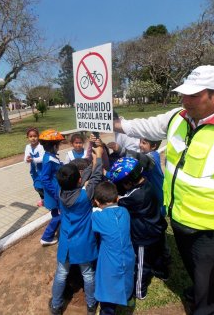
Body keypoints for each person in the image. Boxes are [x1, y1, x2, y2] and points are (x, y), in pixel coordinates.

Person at [113, 65, 214, 315]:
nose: (185, 100)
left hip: (210, 231)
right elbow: (144, 126)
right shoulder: (179, 117)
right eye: (184, 94)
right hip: (178, 218)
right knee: (195, 270)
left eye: (193, 95)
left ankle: (206, 303)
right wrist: (111, 123)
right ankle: (199, 290)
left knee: (209, 286)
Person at [49, 146, 103, 315]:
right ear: (79, 180)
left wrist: (90, 163)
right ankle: (91, 304)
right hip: (84, 242)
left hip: (66, 241)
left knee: (61, 274)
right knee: (88, 273)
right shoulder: (85, 195)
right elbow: (96, 176)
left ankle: (56, 305)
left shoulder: (60, 191)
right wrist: (98, 158)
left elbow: (87, 176)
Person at [106, 157, 168, 300]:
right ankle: (162, 273)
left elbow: (118, 201)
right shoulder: (147, 183)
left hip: (143, 237)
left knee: (141, 264)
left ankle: (139, 291)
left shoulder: (134, 196)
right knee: (159, 256)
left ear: (128, 182)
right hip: (157, 229)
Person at [92, 181, 135, 315]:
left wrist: (96, 208)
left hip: (110, 261)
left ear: (96, 202)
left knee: (108, 286)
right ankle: (128, 298)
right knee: (127, 278)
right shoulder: (125, 212)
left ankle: (107, 311)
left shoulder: (97, 216)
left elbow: (94, 215)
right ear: (117, 198)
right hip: (128, 256)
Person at [39, 129, 64, 246]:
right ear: (54, 146)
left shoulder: (50, 156)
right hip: (54, 193)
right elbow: (44, 178)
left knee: (56, 215)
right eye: (58, 144)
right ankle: (46, 237)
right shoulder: (49, 159)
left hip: (54, 193)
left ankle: (58, 232)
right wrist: (55, 193)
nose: (59, 146)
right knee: (59, 215)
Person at [24, 127, 45, 207]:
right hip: (34, 171)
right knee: (37, 186)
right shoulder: (28, 147)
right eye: (31, 136)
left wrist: (33, 159)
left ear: (38, 136)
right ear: (28, 138)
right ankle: (43, 199)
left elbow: (43, 158)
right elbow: (26, 157)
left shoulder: (41, 146)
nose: (33, 138)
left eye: (35, 136)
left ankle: (51, 200)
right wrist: (27, 159)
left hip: (42, 170)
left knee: (43, 186)